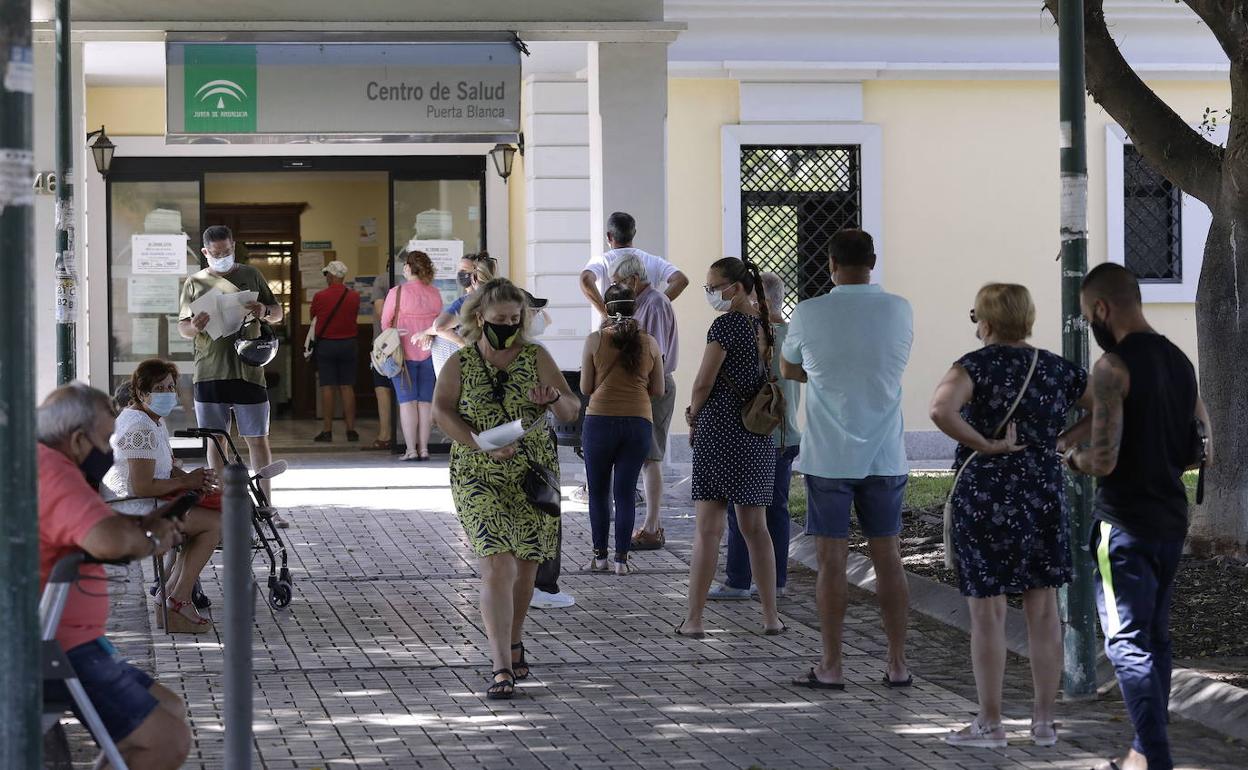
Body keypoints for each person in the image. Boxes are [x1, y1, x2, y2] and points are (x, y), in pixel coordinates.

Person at [1059, 263, 1210, 770]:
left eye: (1087, 317)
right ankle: (1144, 753)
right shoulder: (1178, 360)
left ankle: (1157, 758)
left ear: (1101, 309)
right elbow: (1202, 446)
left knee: (1126, 644)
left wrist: (1071, 460)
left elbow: (1103, 459)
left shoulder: (1112, 367)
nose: (1091, 326)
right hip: (1171, 518)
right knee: (1156, 640)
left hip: (1122, 524)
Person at [929, 284, 1089, 747]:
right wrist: (1062, 441)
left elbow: (941, 409)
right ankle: (1043, 723)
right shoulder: (1057, 368)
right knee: (1042, 610)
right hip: (1043, 491)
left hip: (986, 494)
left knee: (989, 612)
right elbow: (1109, 407)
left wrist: (985, 444)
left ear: (988, 321)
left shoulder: (973, 365)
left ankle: (991, 722)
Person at [432, 278, 580, 699]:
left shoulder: (537, 356)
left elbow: (572, 408)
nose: (509, 326)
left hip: (532, 473)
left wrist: (553, 398)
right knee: (497, 564)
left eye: (516, 319)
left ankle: (514, 641)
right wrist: (477, 442)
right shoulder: (460, 363)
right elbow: (442, 411)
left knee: (526, 568)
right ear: (479, 318)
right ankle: (500, 664)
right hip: (478, 471)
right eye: (500, 320)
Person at [780, 229, 913, 690]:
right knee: (889, 559)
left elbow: (788, 366)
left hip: (828, 458)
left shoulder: (809, 312)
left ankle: (832, 665)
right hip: (885, 456)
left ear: (831, 263)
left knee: (831, 562)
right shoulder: (899, 309)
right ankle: (897, 664)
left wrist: (818, 372)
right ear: (872, 261)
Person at [38, 383, 191, 770]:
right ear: (76, 439)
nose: (110, 451)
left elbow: (94, 526)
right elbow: (107, 540)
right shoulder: (54, 472)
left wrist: (141, 524)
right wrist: (150, 539)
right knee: (165, 742)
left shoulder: (49, 466)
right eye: (106, 440)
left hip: (76, 639)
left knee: (168, 707)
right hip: (60, 647)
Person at [678, 257, 783, 638]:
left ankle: (694, 620)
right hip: (755, 435)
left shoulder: (725, 324)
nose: (709, 293)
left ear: (735, 288)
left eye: (713, 286)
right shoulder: (763, 325)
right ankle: (771, 616)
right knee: (756, 528)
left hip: (720, 429)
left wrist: (692, 414)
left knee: (708, 529)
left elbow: (704, 381)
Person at [102, 359, 224, 634]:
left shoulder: (148, 420)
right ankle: (177, 598)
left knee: (210, 517)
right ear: (141, 392)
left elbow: (163, 469)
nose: (168, 393)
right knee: (213, 524)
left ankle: (169, 595)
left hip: (141, 504)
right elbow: (142, 486)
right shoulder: (141, 428)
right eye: (159, 388)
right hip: (134, 509)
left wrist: (193, 480)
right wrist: (187, 480)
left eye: (171, 387)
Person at [178, 225, 286, 525]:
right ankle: (222, 505)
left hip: (248, 370)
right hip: (209, 371)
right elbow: (183, 328)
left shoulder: (251, 275)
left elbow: (278, 313)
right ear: (205, 253)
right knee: (216, 440)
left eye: (227, 252)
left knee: (257, 439)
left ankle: (265, 505)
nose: (223, 257)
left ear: (234, 246)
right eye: (216, 254)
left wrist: (264, 310)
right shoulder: (195, 282)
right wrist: (195, 326)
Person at [710, 272, 802, 600]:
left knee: (743, 510)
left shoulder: (754, 334)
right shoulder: (792, 335)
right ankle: (774, 580)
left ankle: (739, 579)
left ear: (753, 298)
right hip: (787, 432)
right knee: (775, 509)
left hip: (753, 432)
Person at [579, 284, 665, 575]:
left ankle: (599, 557)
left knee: (599, 492)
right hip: (638, 422)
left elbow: (585, 388)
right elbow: (659, 388)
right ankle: (621, 561)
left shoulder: (594, 340)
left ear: (606, 307)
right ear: (635, 308)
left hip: (599, 421)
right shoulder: (650, 343)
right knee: (625, 493)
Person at [611, 253, 679, 551]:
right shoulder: (640, 304)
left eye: (618, 283)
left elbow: (657, 355)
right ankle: (649, 525)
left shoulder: (655, 303)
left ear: (634, 280)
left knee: (651, 456)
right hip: (641, 386)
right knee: (643, 456)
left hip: (654, 386)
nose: (615, 289)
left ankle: (652, 526)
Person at [381, 250, 444, 461]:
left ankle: (410, 450)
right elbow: (440, 324)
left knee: (407, 403)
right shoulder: (434, 293)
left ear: (408, 267)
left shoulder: (397, 292)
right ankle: (424, 448)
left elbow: (385, 323)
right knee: (425, 403)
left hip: (402, 356)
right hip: (429, 352)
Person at [580, 211, 688, 317]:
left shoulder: (602, 261)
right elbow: (680, 280)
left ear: (609, 236)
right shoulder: (653, 261)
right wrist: (656, 304)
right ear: (634, 233)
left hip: (614, 332)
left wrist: (606, 314)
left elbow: (585, 279)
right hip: (648, 329)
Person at [309, 260, 362, 443]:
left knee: (327, 387)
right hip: (349, 344)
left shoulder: (319, 296)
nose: (326, 278)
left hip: (326, 345)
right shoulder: (354, 296)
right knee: (347, 387)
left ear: (331, 276)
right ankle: (351, 430)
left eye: (326, 275)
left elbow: (313, 317)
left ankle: (327, 431)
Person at [428, 251, 496, 352]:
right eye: (459, 270)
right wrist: (426, 332)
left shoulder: (466, 302)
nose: (460, 273)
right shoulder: (496, 296)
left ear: (474, 275)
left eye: (464, 270)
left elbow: (439, 327)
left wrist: (463, 344)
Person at [366, 265, 396, 450]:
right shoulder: (416, 283)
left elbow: (380, 310)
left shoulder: (382, 280)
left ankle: (385, 434)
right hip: (411, 343)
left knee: (382, 388)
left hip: (385, 344)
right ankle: (408, 436)